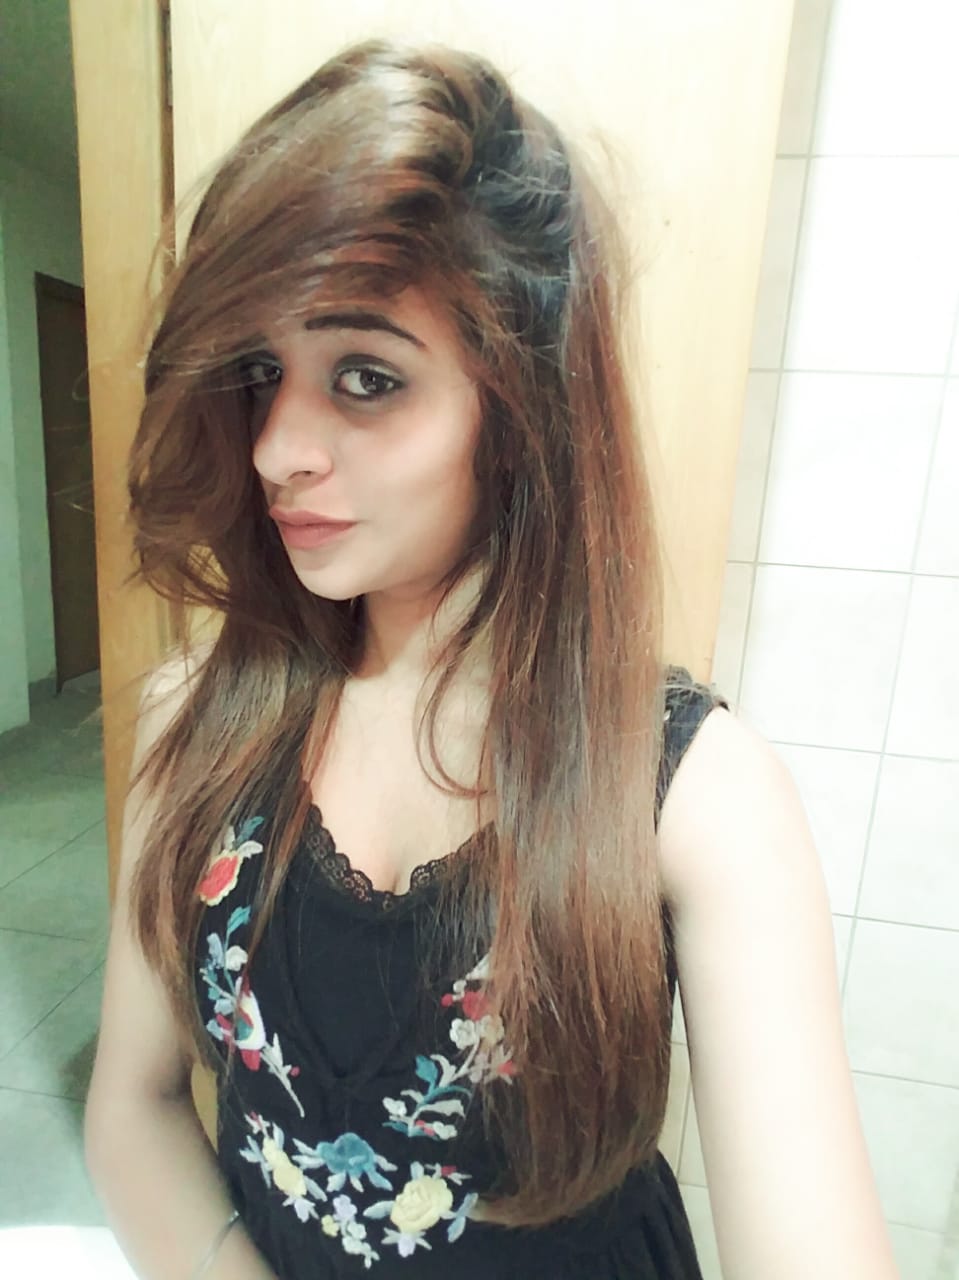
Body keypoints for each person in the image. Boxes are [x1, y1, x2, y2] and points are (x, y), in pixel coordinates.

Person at [83, 36, 900, 1280]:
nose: (277, 446)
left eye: (365, 377)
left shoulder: (693, 794)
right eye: (258, 370)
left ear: (517, 404)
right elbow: (131, 1106)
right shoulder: (195, 719)